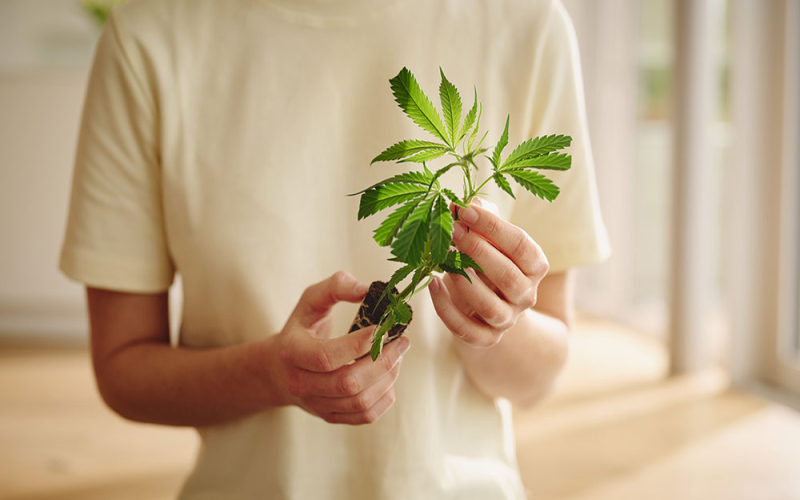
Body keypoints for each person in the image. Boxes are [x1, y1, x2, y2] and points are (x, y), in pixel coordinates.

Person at [58, 0, 610, 498]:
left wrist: (488, 318)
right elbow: (123, 370)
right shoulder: (146, 36)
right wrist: (272, 375)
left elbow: (540, 378)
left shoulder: (528, 23)